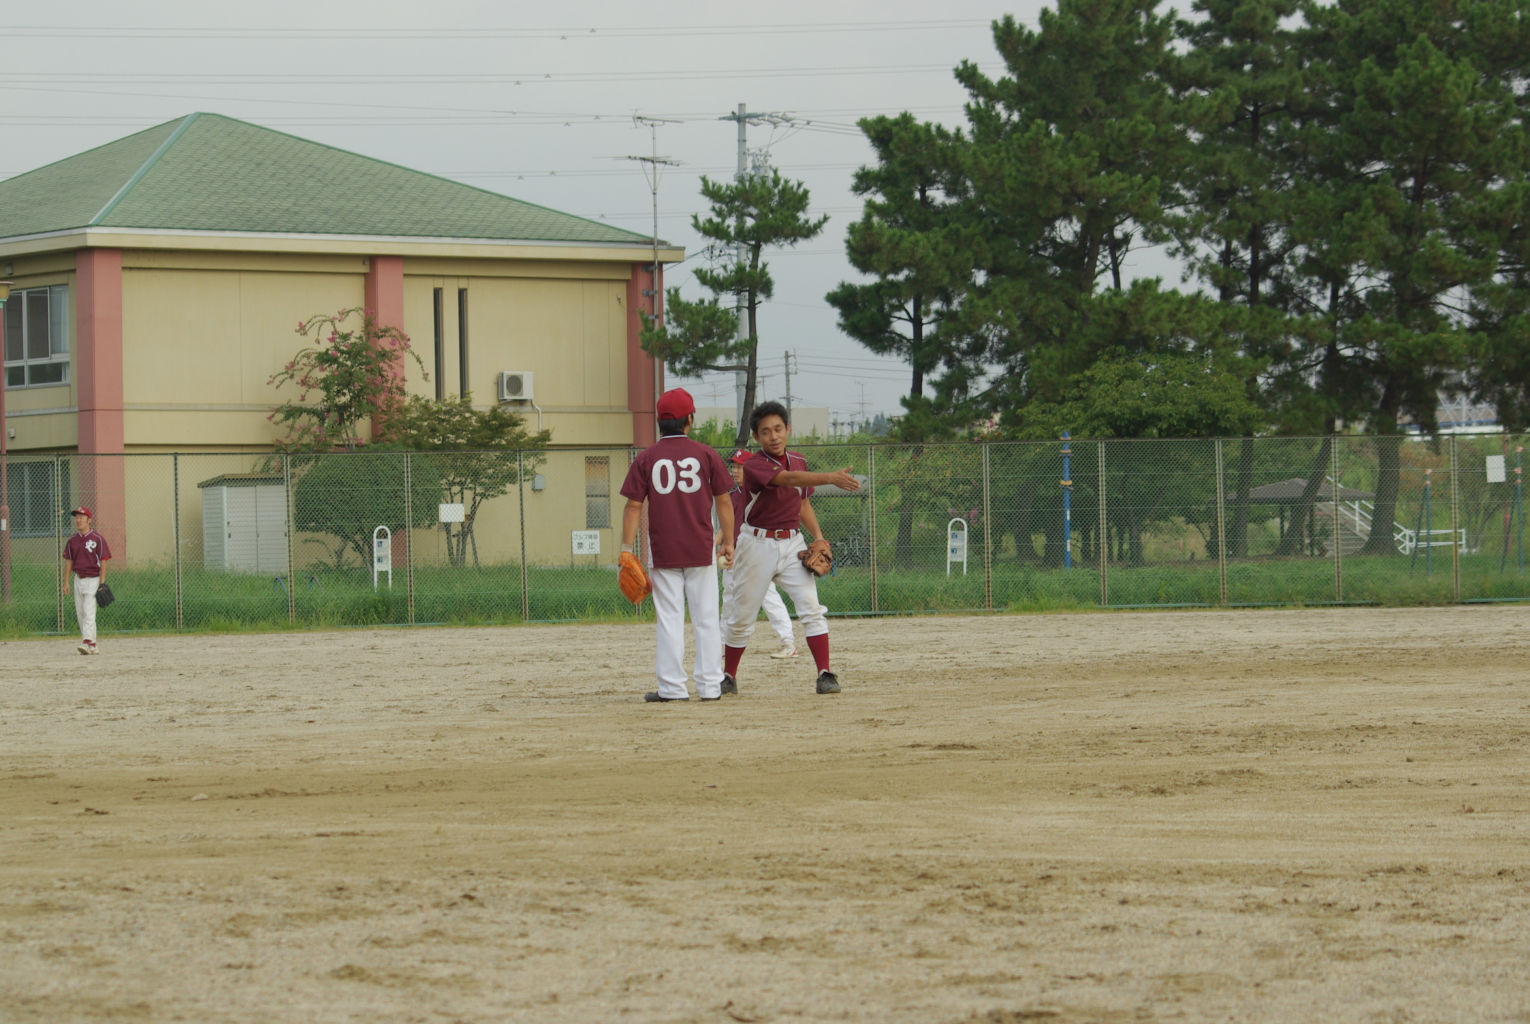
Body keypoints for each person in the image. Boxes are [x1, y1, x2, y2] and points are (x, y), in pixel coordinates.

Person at [723, 401, 860, 696]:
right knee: (742, 616)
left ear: (787, 429)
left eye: (778, 429)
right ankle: (728, 676)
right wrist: (831, 477)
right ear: (756, 437)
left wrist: (819, 536)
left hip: (792, 542)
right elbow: (787, 479)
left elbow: (802, 502)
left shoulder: (798, 460)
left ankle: (824, 674)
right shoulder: (755, 465)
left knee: (811, 609)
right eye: (765, 431)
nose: (773, 436)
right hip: (756, 544)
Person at [620, 388, 735, 702]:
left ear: (659, 422)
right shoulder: (706, 454)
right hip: (700, 548)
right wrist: (729, 541)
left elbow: (633, 506)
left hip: (664, 551)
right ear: (690, 420)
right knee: (706, 618)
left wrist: (626, 549)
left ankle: (672, 688)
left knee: (670, 619)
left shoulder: (646, 458)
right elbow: (724, 500)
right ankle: (710, 687)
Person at [721, 448, 798, 659]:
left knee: (767, 597)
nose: (735, 471)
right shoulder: (732, 495)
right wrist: (721, 543)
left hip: (756, 553)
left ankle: (788, 641)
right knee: (729, 598)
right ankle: (723, 644)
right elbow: (728, 525)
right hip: (734, 555)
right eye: (733, 466)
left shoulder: (762, 493)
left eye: (740, 467)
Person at [62, 506, 111, 655]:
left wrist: (102, 582)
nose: (78, 520)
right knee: (81, 613)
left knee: (89, 611)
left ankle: (86, 641)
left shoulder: (97, 539)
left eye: (82, 518)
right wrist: (66, 582)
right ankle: (93, 645)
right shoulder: (72, 540)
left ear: (89, 520)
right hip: (78, 579)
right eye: (77, 517)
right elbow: (69, 561)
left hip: (93, 579)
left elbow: (103, 560)